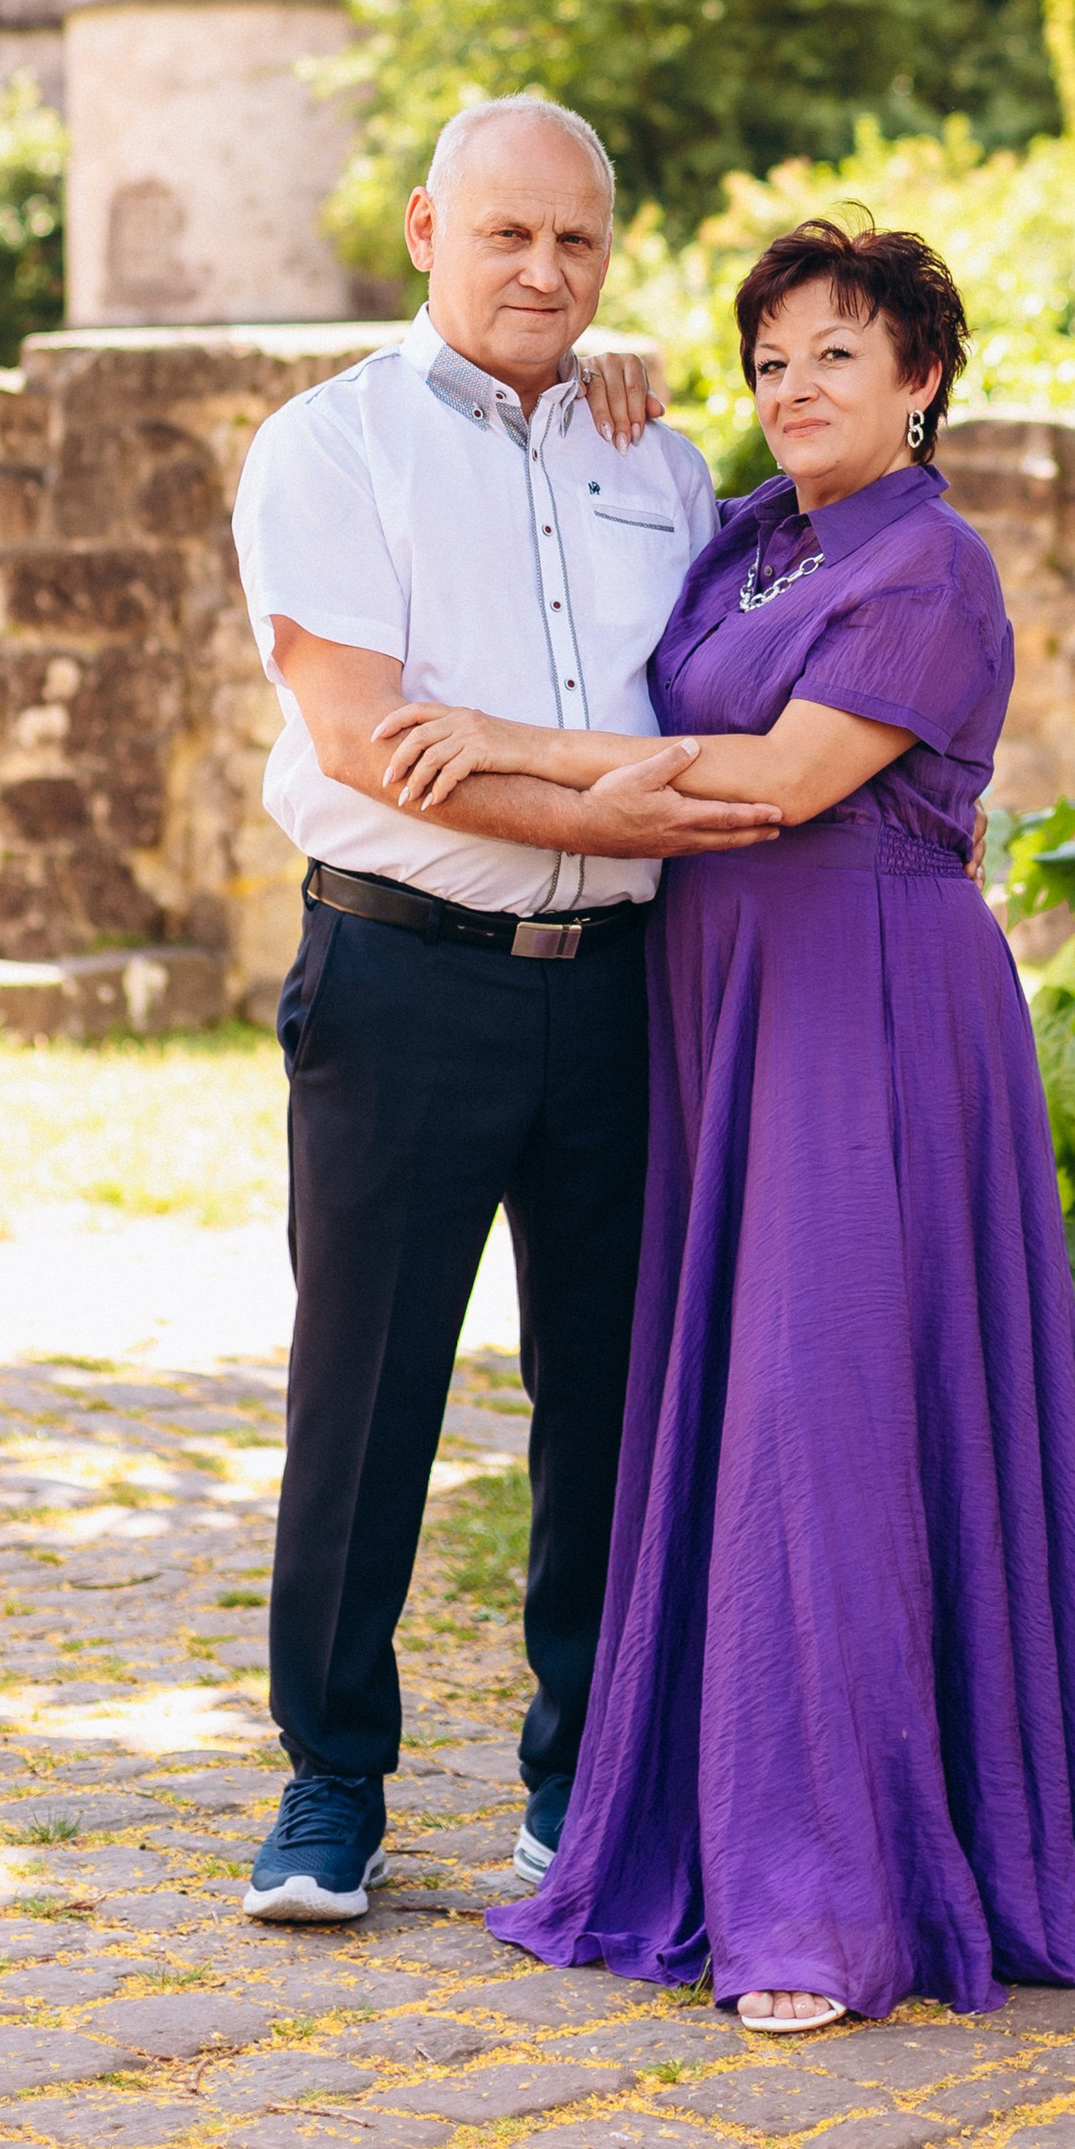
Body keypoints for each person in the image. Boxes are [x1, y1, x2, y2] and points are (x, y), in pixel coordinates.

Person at [372, 218, 1075, 2029]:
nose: (798, 387)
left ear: (923, 380)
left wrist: (495, 746)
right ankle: (729, 1829)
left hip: (866, 1019)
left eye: (839, 353)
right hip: (725, 1013)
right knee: (738, 1416)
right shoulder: (759, 533)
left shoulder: (934, 564)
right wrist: (601, 375)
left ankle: (826, 1899)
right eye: (773, 358)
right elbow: (674, 688)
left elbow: (775, 784)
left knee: (824, 1421)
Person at [230, 93, 782, 1923]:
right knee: (366, 1391)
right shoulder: (331, 451)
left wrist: (620, 813)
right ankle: (332, 1782)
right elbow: (364, 742)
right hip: (401, 977)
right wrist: (620, 796)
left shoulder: (662, 458)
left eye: (577, 242)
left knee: (611, 1400)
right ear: (421, 229)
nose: (543, 270)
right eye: (505, 236)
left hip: (626, 994)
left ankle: (583, 1771)